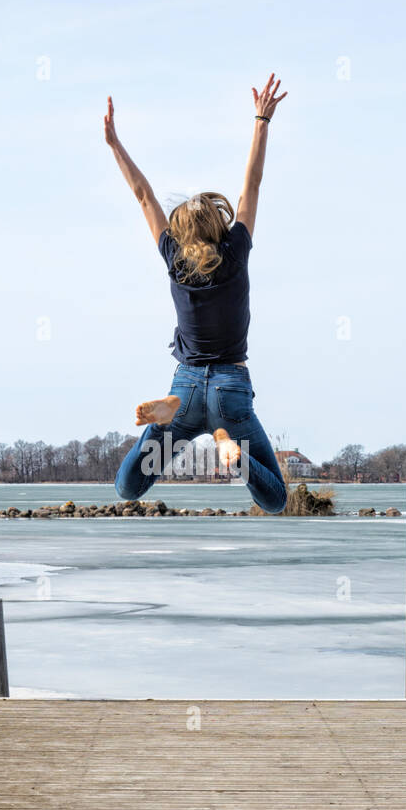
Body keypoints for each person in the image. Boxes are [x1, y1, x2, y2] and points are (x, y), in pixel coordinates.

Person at [104, 73, 288, 514]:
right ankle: (232, 452)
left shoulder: (175, 259)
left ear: (181, 232)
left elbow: (143, 195)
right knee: (276, 500)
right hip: (230, 388)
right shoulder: (236, 251)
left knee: (127, 489)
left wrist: (114, 144)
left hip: (183, 387)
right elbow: (253, 185)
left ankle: (170, 412)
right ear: (218, 225)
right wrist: (261, 120)